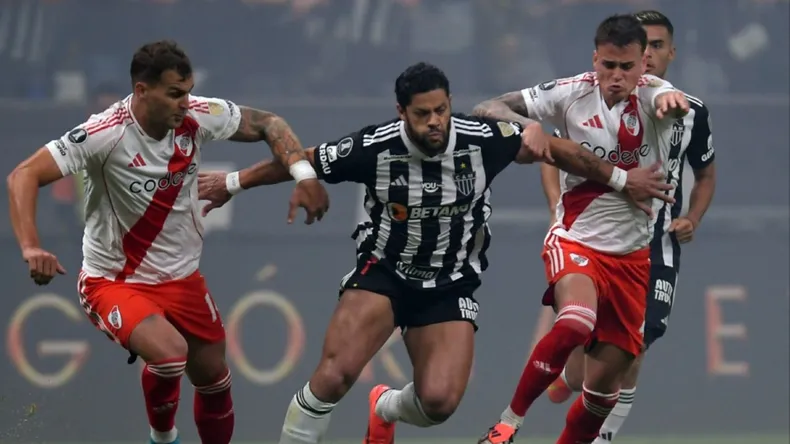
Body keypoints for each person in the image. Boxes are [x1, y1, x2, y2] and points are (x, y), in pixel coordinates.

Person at [196, 61, 673, 444]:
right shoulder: (375, 147)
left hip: (450, 283)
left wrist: (617, 177)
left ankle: (385, 406)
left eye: (441, 110)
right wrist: (233, 183)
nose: (434, 122)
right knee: (334, 376)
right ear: (401, 112)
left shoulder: (483, 140)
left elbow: (558, 150)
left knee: (439, 403)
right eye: (422, 113)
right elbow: (304, 159)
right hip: (384, 273)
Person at [6, 40, 329, 444]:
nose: (185, 103)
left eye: (188, 92)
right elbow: (23, 175)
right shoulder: (103, 133)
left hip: (182, 278)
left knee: (215, 379)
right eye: (175, 93)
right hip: (113, 281)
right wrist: (31, 246)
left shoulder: (197, 115)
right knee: (170, 353)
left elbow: (270, 123)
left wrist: (304, 176)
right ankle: (162, 439)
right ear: (142, 91)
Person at [471, 14, 691, 444]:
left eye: (626, 67)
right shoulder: (571, 92)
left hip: (632, 259)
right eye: (608, 65)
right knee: (575, 322)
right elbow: (487, 107)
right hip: (577, 240)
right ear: (595, 60)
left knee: (601, 397)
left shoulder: (655, 96)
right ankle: (507, 424)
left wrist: (673, 101)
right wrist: (527, 124)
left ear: (643, 64)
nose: (616, 76)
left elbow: (671, 99)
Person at [542, 11, 717, 443]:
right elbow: (552, 152)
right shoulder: (589, 99)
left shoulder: (691, 112)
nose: (650, 54)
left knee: (634, 346)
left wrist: (692, 217)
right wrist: (556, 209)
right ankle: (568, 375)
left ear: (671, 53)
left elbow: (706, 174)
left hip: (657, 245)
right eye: (645, 46)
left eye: (658, 46)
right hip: (597, 239)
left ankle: (601, 437)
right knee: (587, 362)